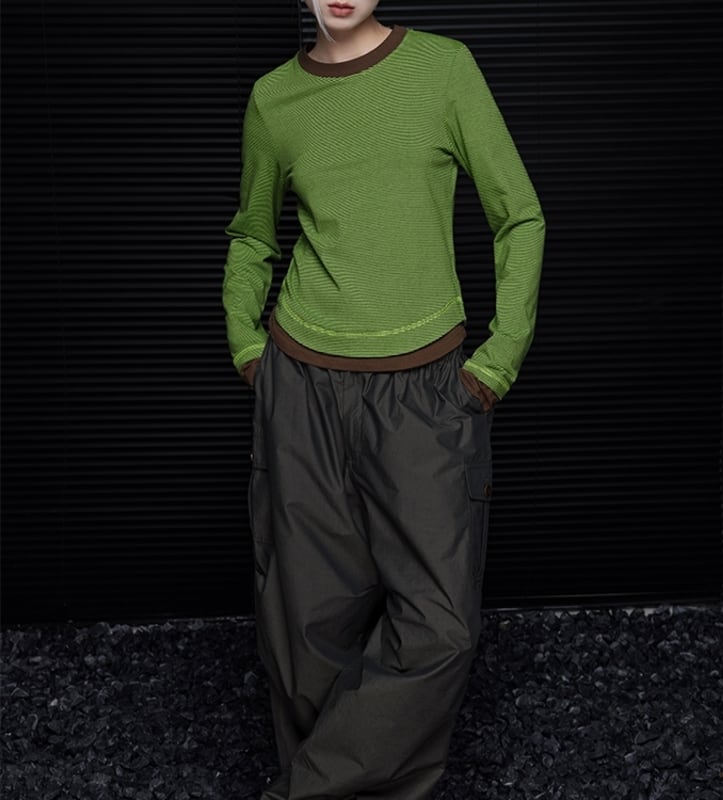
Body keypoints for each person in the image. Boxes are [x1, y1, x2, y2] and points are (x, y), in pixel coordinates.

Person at [222, 1, 545, 798]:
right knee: (305, 631)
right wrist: (249, 348)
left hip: (425, 390)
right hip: (302, 386)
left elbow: (520, 216)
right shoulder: (273, 99)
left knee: (440, 627)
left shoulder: (443, 69)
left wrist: (497, 361)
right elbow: (254, 236)